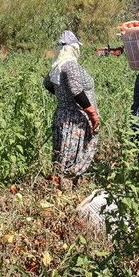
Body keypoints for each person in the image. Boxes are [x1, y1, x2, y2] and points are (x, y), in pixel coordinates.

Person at [44, 30, 99, 184]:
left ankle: (61, 190)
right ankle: (66, 192)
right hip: (74, 119)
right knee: (71, 159)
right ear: (73, 48)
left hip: (62, 115)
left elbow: (47, 84)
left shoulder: (57, 66)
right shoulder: (70, 65)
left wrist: (63, 97)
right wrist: (92, 114)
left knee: (63, 156)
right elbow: (76, 90)